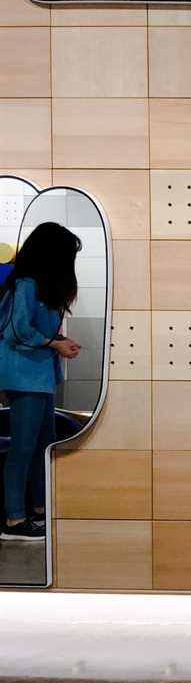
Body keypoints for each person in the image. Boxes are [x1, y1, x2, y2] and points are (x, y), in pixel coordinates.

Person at [0, 223, 82, 542]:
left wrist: (60, 340)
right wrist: (55, 343)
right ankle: (14, 519)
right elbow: (17, 332)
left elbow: (33, 329)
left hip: (38, 374)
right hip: (23, 374)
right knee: (23, 447)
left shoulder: (41, 287)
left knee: (42, 445)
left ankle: (37, 510)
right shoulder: (25, 284)